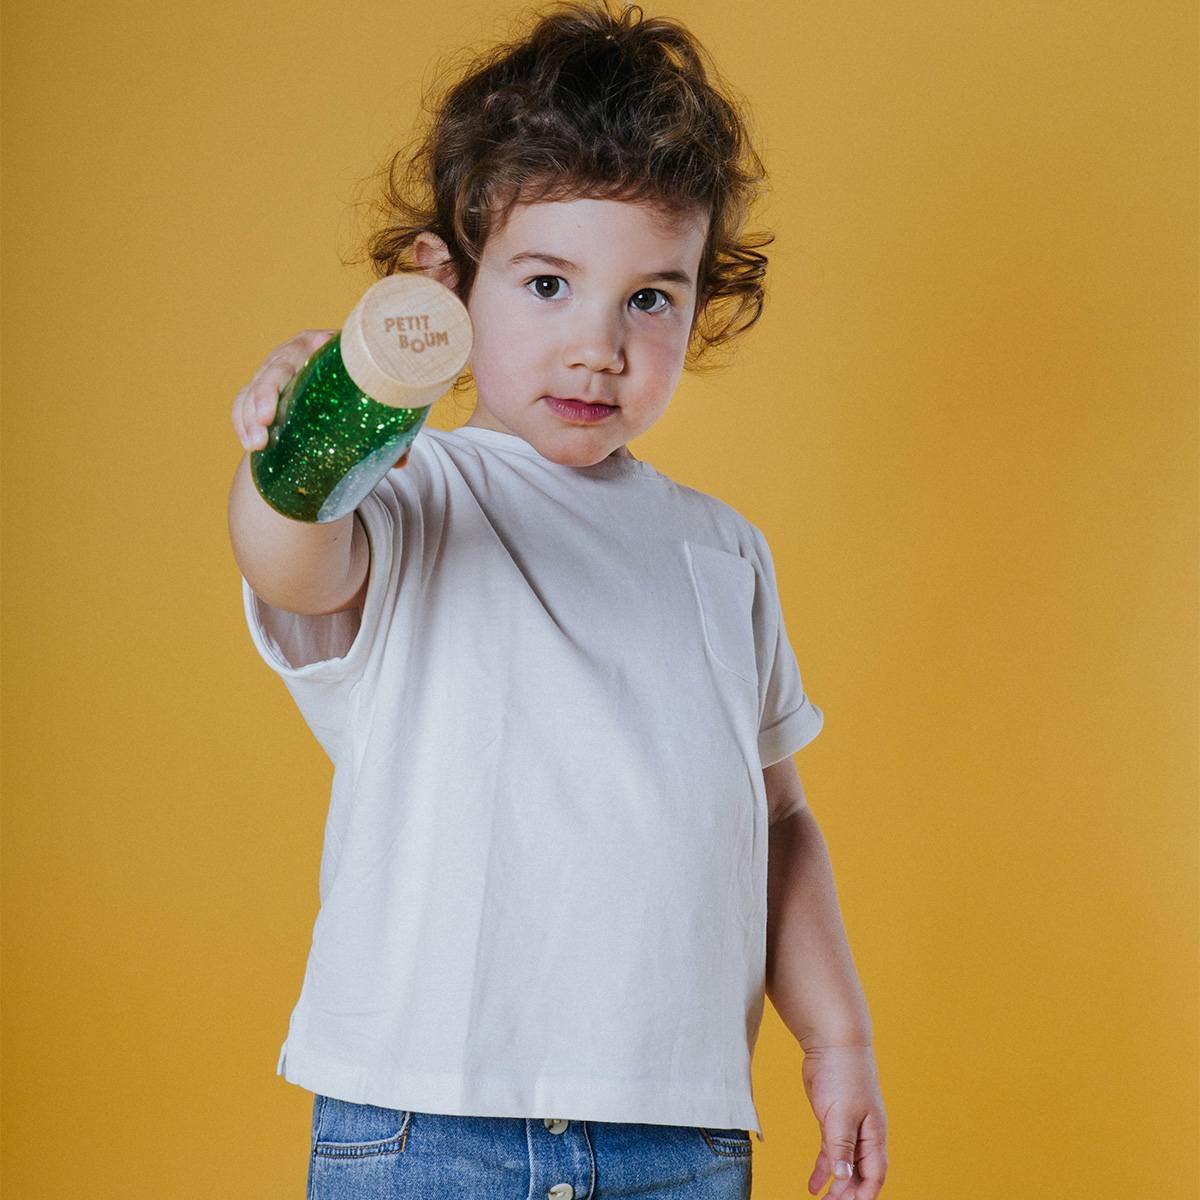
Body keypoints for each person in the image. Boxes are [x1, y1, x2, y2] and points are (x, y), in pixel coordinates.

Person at [228, 3, 887, 1197]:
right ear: (445, 287)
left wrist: (839, 1038)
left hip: (676, 1133)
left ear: (700, 301)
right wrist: (315, 425)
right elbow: (291, 559)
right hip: (427, 1122)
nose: (598, 345)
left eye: (650, 298)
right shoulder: (414, 497)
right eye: (545, 283)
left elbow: (780, 824)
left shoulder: (723, 555)